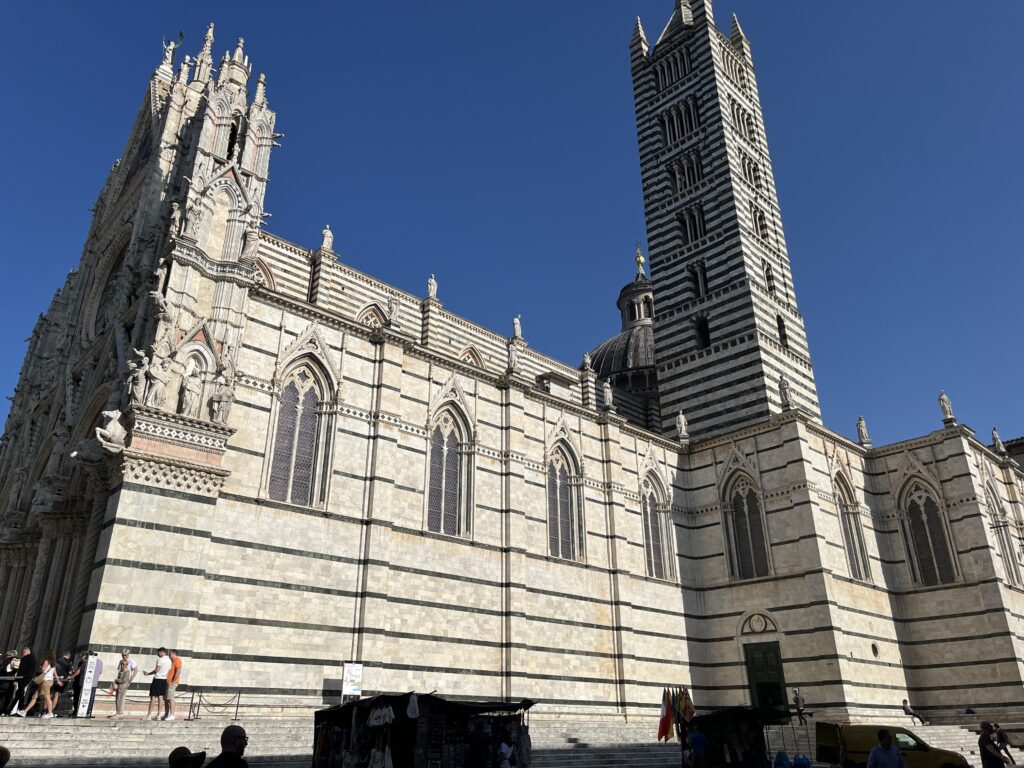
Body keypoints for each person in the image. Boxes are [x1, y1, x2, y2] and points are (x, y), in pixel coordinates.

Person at [18, 651, 56, 719]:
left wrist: (40, 669)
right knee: (34, 697)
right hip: (48, 681)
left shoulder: (46, 661)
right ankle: (25, 711)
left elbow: (43, 669)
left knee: (47, 697)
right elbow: (54, 673)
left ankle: (50, 713)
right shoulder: (53, 664)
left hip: (45, 681)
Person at [143, 648, 172, 720]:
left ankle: (149, 715)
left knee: (153, 697)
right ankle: (159, 715)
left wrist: (148, 673)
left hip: (157, 679)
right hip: (164, 679)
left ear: (162, 652)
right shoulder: (169, 660)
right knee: (161, 697)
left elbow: (157, 670)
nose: (157, 654)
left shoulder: (160, 659)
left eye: (158, 652)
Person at [110, 652, 136, 719]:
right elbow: (119, 675)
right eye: (123, 655)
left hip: (123, 686)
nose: (122, 665)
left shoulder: (128, 669)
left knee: (121, 700)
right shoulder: (121, 669)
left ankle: (120, 713)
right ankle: (118, 712)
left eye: (125, 655)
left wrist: (130, 680)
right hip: (119, 686)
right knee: (118, 699)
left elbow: (124, 679)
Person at [12, 646, 36, 715]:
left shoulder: (26, 658)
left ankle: (21, 708)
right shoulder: (33, 658)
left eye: (24, 651)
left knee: (20, 693)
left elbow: (21, 669)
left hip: (22, 678)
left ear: (28, 651)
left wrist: (16, 679)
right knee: (19, 693)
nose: (23, 653)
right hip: (28, 678)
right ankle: (14, 709)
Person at [164, 650, 182, 720]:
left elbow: (178, 671)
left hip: (172, 682)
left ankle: (172, 714)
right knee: (167, 698)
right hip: (169, 682)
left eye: (170, 654)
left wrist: (173, 681)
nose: (169, 655)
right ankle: (167, 714)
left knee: (171, 698)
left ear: (174, 654)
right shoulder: (172, 661)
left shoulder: (177, 660)